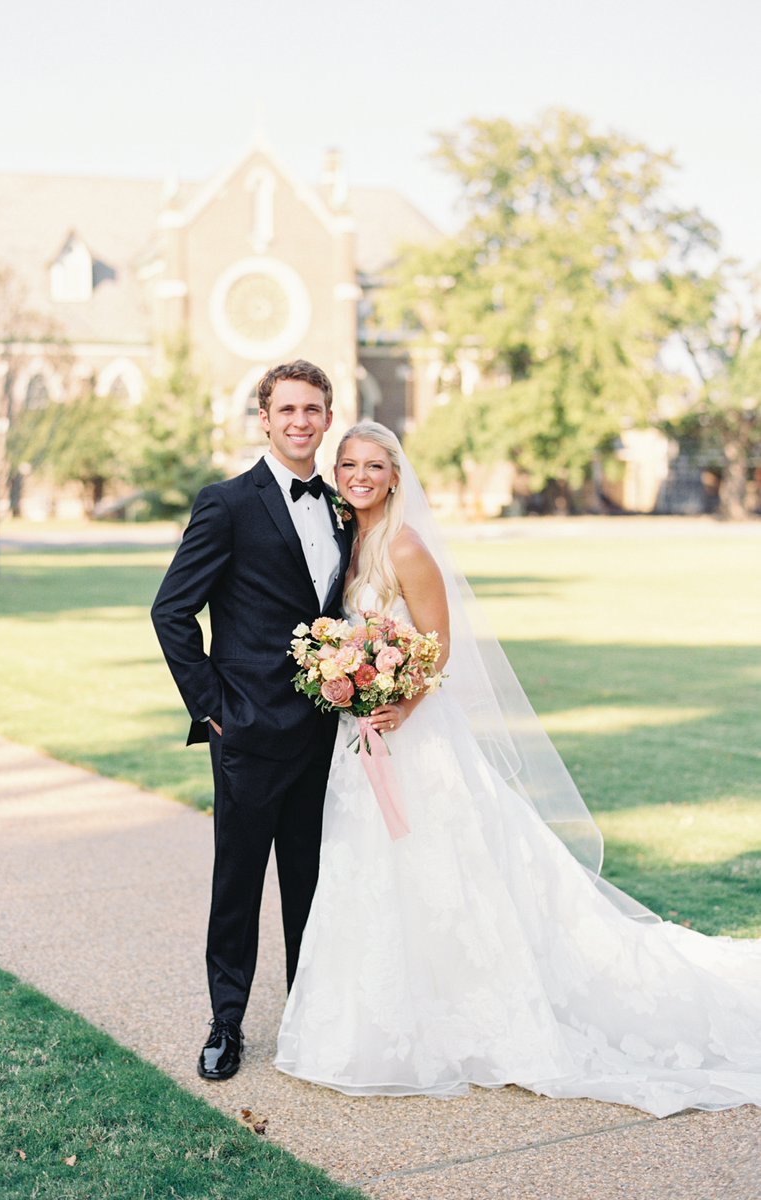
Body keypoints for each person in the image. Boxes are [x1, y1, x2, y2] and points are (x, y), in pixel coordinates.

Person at [275, 420, 761, 1117]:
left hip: (412, 742)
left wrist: (396, 706)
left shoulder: (406, 547)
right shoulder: (351, 546)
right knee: (371, 872)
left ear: (393, 476)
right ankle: (382, 1016)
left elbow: (437, 653)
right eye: (348, 463)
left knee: (442, 871)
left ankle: (467, 1015)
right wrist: (345, 681)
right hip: (362, 745)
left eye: (373, 465)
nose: (358, 475)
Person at [151, 360, 352, 1081]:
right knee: (237, 883)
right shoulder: (227, 503)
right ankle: (226, 1024)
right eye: (287, 409)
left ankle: (307, 1016)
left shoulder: (341, 508)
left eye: (313, 410)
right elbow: (171, 611)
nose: (300, 421)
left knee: (310, 880)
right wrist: (214, 709)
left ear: (328, 420)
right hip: (247, 731)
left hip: (326, 733)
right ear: (263, 419)